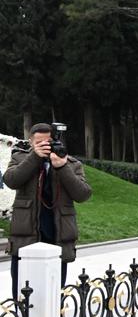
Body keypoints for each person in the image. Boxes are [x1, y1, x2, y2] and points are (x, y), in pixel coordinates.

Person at [4, 123, 93, 298]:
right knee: (22, 294)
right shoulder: (20, 159)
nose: (44, 145)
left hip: (57, 238)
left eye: (48, 141)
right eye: (39, 142)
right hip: (26, 238)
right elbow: (11, 180)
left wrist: (61, 167)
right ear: (30, 142)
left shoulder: (71, 164)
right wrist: (35, 158)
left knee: (53, 294)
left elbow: (83, 194)